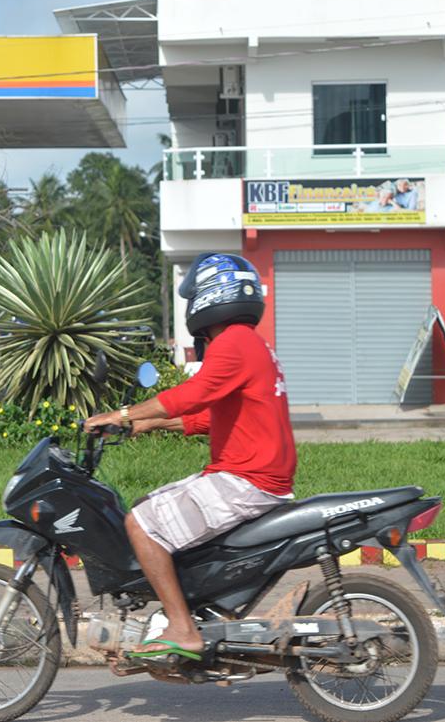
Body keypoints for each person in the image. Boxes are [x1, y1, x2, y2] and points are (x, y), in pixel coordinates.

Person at [84, 253, 297, 663]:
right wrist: (148, 425)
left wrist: (124, 413)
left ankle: (183, 629)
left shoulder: (232, 342)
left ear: (210, 296)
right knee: (149, 505)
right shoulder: (250, 342)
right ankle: (188, 611)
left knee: (141, 524)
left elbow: (191, 396)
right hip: (253, 475)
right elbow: (206, 416)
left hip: (246, 480)